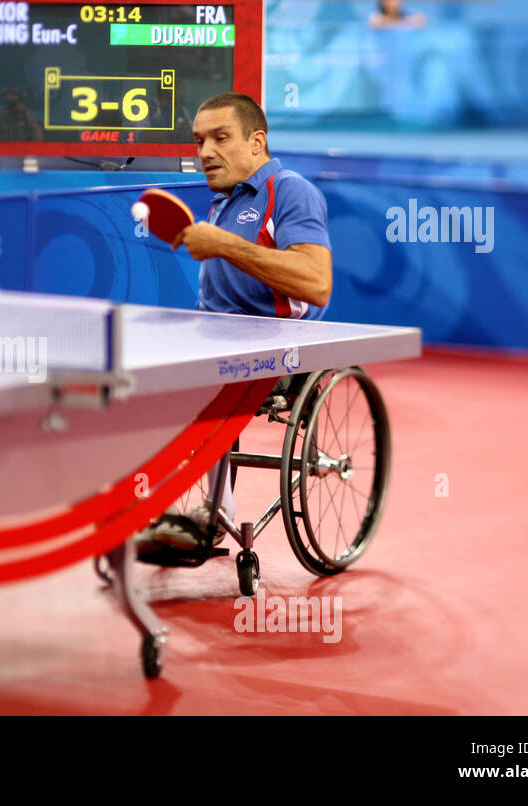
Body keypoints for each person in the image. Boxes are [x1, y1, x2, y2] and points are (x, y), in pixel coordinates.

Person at [136, 92, 333, 563]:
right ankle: (134, 504)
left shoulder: (290, 191)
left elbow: (316, 282)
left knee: (203, 383)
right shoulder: (222, 202)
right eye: (199, 140)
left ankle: (211, 517)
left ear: (257, 142)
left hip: (280, 352)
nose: (205, 151)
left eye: (220, 138)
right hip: (219, 343)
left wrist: (224, 244)